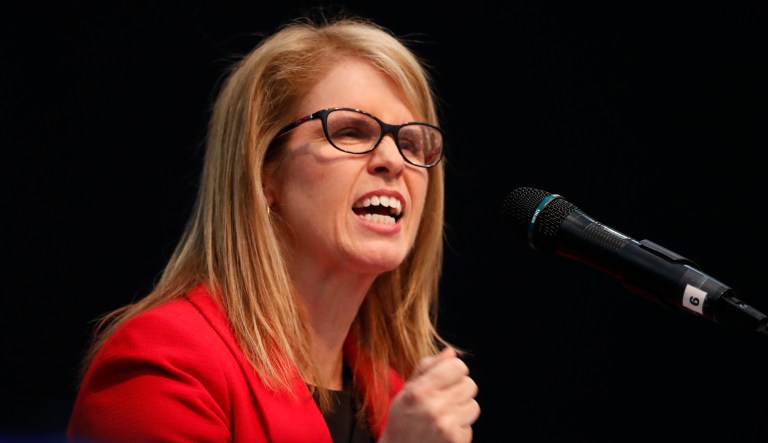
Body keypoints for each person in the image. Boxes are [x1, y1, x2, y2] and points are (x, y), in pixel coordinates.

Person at [67, 11, 480, 443]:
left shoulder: (394, 395)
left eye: (412, 142)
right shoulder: (164, 366)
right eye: (351, 131)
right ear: (265, 172)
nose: (394, 160)